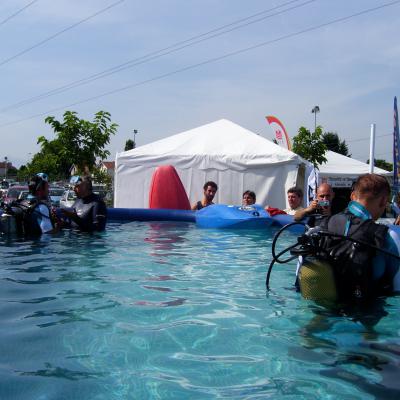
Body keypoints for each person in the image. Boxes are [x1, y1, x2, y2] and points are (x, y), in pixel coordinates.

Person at [298, 174, 399, 301]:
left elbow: (299, 282)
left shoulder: (316, 230)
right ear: (384, 201)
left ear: (352, 196)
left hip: (319, 309)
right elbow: (397, 292)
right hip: (364, 311)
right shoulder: (387, 236)